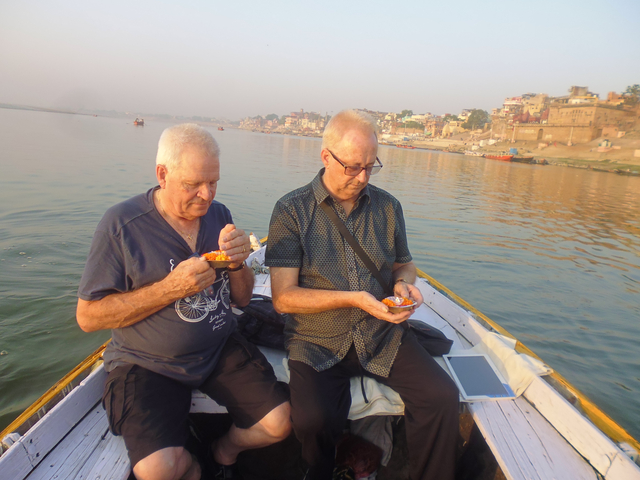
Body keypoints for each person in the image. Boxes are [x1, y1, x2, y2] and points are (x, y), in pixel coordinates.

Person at [77, 124, 291, 480]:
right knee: (158, 470)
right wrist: (170, 288)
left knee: (279, 423)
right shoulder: (122, 225)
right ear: (163, 174)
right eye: (193, 184)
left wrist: (238, 264)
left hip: (219, 346)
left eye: (214, 182)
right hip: (147, 363)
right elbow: (88, 317)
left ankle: (221, 453)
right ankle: (193, 468)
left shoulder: (219, 214)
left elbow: (240, 298)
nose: (206, 195)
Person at [265, 110, 459, 480]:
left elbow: (404, 264)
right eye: (354, 167)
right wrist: (354, 298)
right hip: (316, 338)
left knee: (441, 397)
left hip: (381, 333)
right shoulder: (291, 210)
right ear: (326, 157)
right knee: (312, 417)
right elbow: (284, 298)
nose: (363, 177)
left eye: (371, 166)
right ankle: (322, 470)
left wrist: (403, 284)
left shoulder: (388, 207)